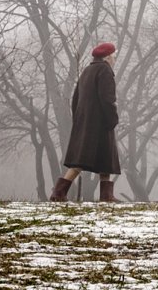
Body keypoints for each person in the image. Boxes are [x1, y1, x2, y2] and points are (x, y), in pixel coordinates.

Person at [48, 42, 121, 202]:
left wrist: (79, 120)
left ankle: (104, 195)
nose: (115, 60)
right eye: (114, 56)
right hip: (101, 123)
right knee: (93, 159)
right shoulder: (105, 70)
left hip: (86, 123)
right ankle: (59, 193)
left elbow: (75, 99)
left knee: (96, 159)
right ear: (108, 57)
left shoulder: (87, 70)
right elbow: (108, 99)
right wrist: (113, 119)